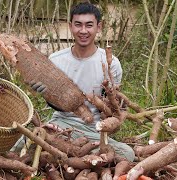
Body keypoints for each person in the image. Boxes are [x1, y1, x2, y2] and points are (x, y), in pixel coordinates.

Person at [14, 2, 135, 162]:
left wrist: (113, 120)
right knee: (19, 145)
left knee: (127, 154)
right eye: (78, 25)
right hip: (61, 125)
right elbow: (55, 104)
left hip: (95, 130)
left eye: (89, 25)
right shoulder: (56, 60)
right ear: (71, 26)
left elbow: (112, 108)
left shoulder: (111, 63)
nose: (83, 31)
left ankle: (64, 153)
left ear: (99, 27)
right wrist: (44, 93)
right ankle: (71, 152)